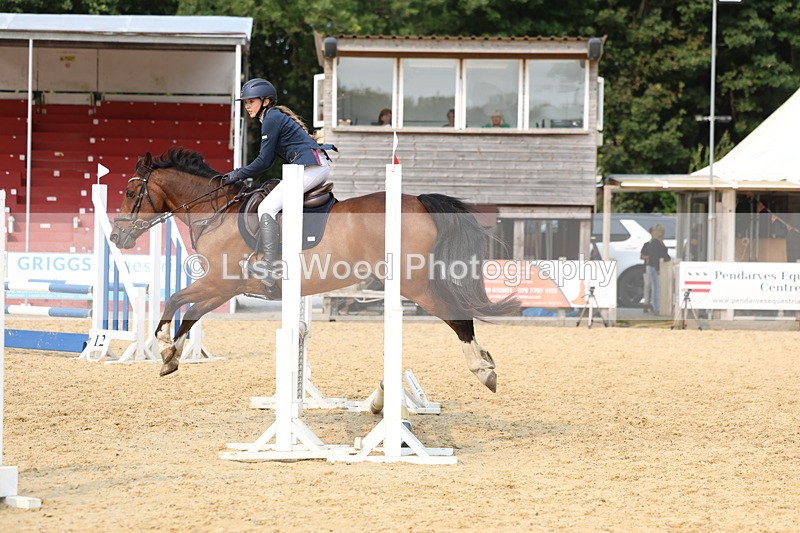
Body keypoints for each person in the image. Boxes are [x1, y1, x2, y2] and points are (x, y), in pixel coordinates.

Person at [221, 78, 336, 286]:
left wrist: (237, 174)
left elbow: (264, 161)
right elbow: (267, 160)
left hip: (313, 166)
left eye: (251, 102)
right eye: (245, 103)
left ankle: (269, 266)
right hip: (310, 165)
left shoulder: (272, 118)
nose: (247, 107)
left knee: (266, 207)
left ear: (265, 101)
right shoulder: (270, 117)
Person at [640, 224, 671, 314]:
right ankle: (655, 307)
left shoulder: (658, 242)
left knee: (655, 287)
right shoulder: (654, 243)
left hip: (655, 266)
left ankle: (655, 306)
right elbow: (655, 256)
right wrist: (657, 268)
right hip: (653, 267)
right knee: (654, 287)